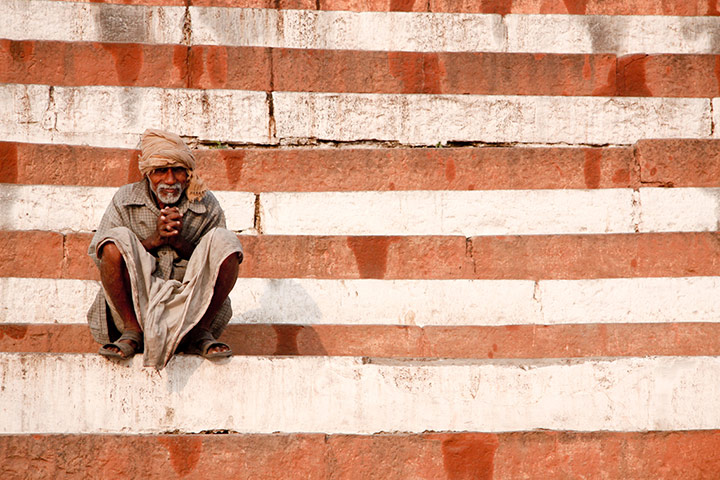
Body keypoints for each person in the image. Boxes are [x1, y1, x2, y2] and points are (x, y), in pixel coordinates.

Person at [86, 129, 243, 369]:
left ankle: (199, 334)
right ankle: (132, 332)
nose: (170, 180)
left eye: (177, 170)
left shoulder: (205, 202)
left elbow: (217, 262)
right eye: (160, 171)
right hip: (139, 302)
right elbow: (99, 258)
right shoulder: (124, 198)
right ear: (148, 173)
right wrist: (154, 240)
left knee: (226, 242)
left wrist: (180, 243)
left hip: (190, 304)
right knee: (113, 240)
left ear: (187, 174)